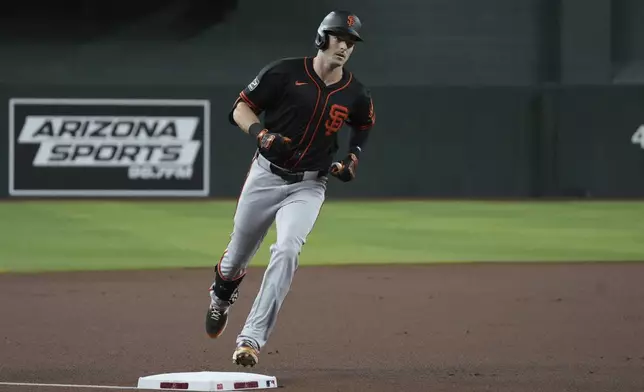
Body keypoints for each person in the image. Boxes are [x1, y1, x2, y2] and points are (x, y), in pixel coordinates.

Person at [205, 9, 376, 368]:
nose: (344, 46)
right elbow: (241, 108)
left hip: (310, 186)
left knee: (286, 250)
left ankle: (251, 339)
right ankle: (220, 300)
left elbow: (363, 124)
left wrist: (353, 159)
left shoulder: (355, 92)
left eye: (351, 42)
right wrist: (262, 135)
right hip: (266, 176)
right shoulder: (284, 72)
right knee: (236, 256)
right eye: (338, 37)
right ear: (321, 38)